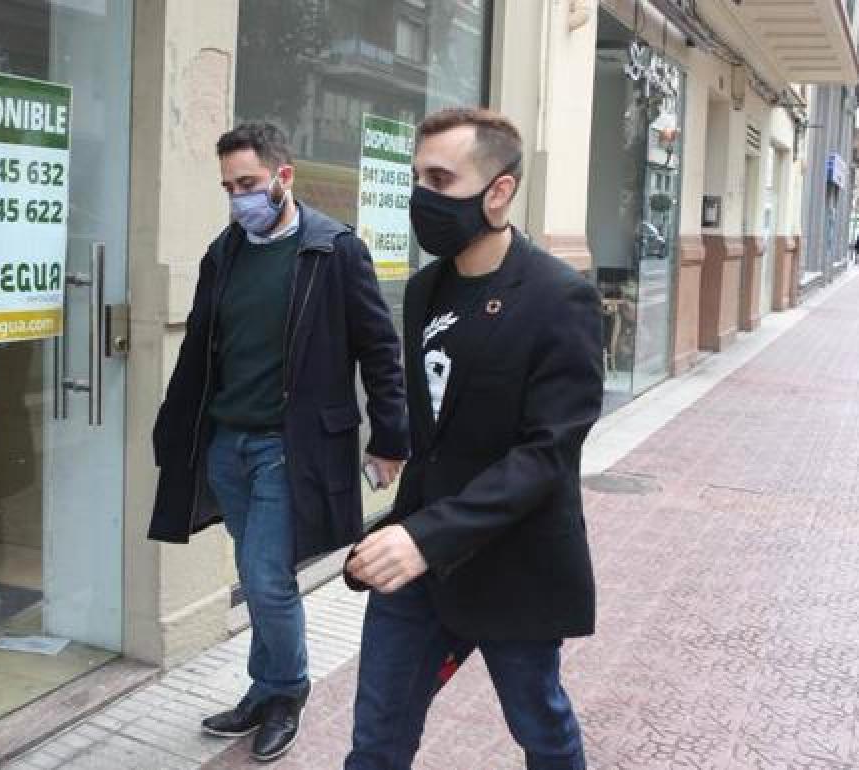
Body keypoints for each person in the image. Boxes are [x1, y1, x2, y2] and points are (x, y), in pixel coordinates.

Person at [343, 107, 604, 770]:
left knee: (540, 729)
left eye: (441, 178)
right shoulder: (426, 287)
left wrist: (427, 538)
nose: (422, 197)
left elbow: (547, 453)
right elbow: (433, 426)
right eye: (417, 178)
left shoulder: (559, 297)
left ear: (499, 192)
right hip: (416, 569)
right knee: (376, 741)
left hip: (513, 566)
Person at [149, 122, 409, 762]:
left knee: (266, 579)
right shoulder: (226, 252)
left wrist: (392, 436)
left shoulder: (334, 250)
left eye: (249, 184)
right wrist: (173, 428)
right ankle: (263, 690)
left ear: (282, 178)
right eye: (229, 187)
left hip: (287, 447)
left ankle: (286, 691)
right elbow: (202, 352)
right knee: (253, 567)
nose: (239, 198)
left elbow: (378, 350)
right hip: (227, 444)